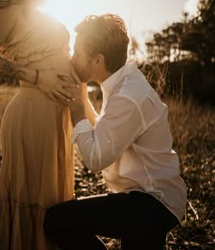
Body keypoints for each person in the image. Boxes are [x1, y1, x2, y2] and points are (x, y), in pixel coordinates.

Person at [43, 14, 187, 250]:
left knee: (58, 220)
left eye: (78, 52)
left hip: (152, 203)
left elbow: (96, 158)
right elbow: (105, 130)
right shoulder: (122, 84)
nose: (72, 58)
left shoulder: (128, 95)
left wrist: (77, 110)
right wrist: (81, 97)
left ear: (97, 60)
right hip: (144, 197)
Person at [0, 0, 77, 249]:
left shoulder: (43, 13)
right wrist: (36, 76)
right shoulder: (8, 4)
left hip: (59, 119)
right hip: (32, 114)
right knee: (31, 200)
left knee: (53, 201)